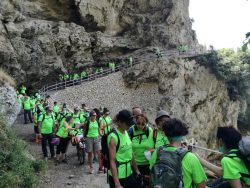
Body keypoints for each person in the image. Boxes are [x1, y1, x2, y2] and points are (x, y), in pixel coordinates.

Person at [149, 118, 207, 188]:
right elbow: (201, 186)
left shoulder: (158, 152)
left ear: (165, 134)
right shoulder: (190, 157)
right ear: (183, 135)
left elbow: (152, 174)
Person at [108, 109, 140, 188]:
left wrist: (136, 170)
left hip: (129, 173)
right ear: (119, 122)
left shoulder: (126, 132)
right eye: (127, 124)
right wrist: (117, 183)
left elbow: (130, 152)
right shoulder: (113, 137)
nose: (129, 126)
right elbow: (112, 161)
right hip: (119, 177)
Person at [129, 114, 154, 188]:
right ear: (135, 122)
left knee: (147, 185)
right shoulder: (131, 130)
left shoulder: (149, 131)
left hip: (147, 164)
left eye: (143, 124)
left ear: (146, 124)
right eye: (138, 123)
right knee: (136, 185)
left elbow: (153, 145)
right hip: (135, 164)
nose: (140, 126)